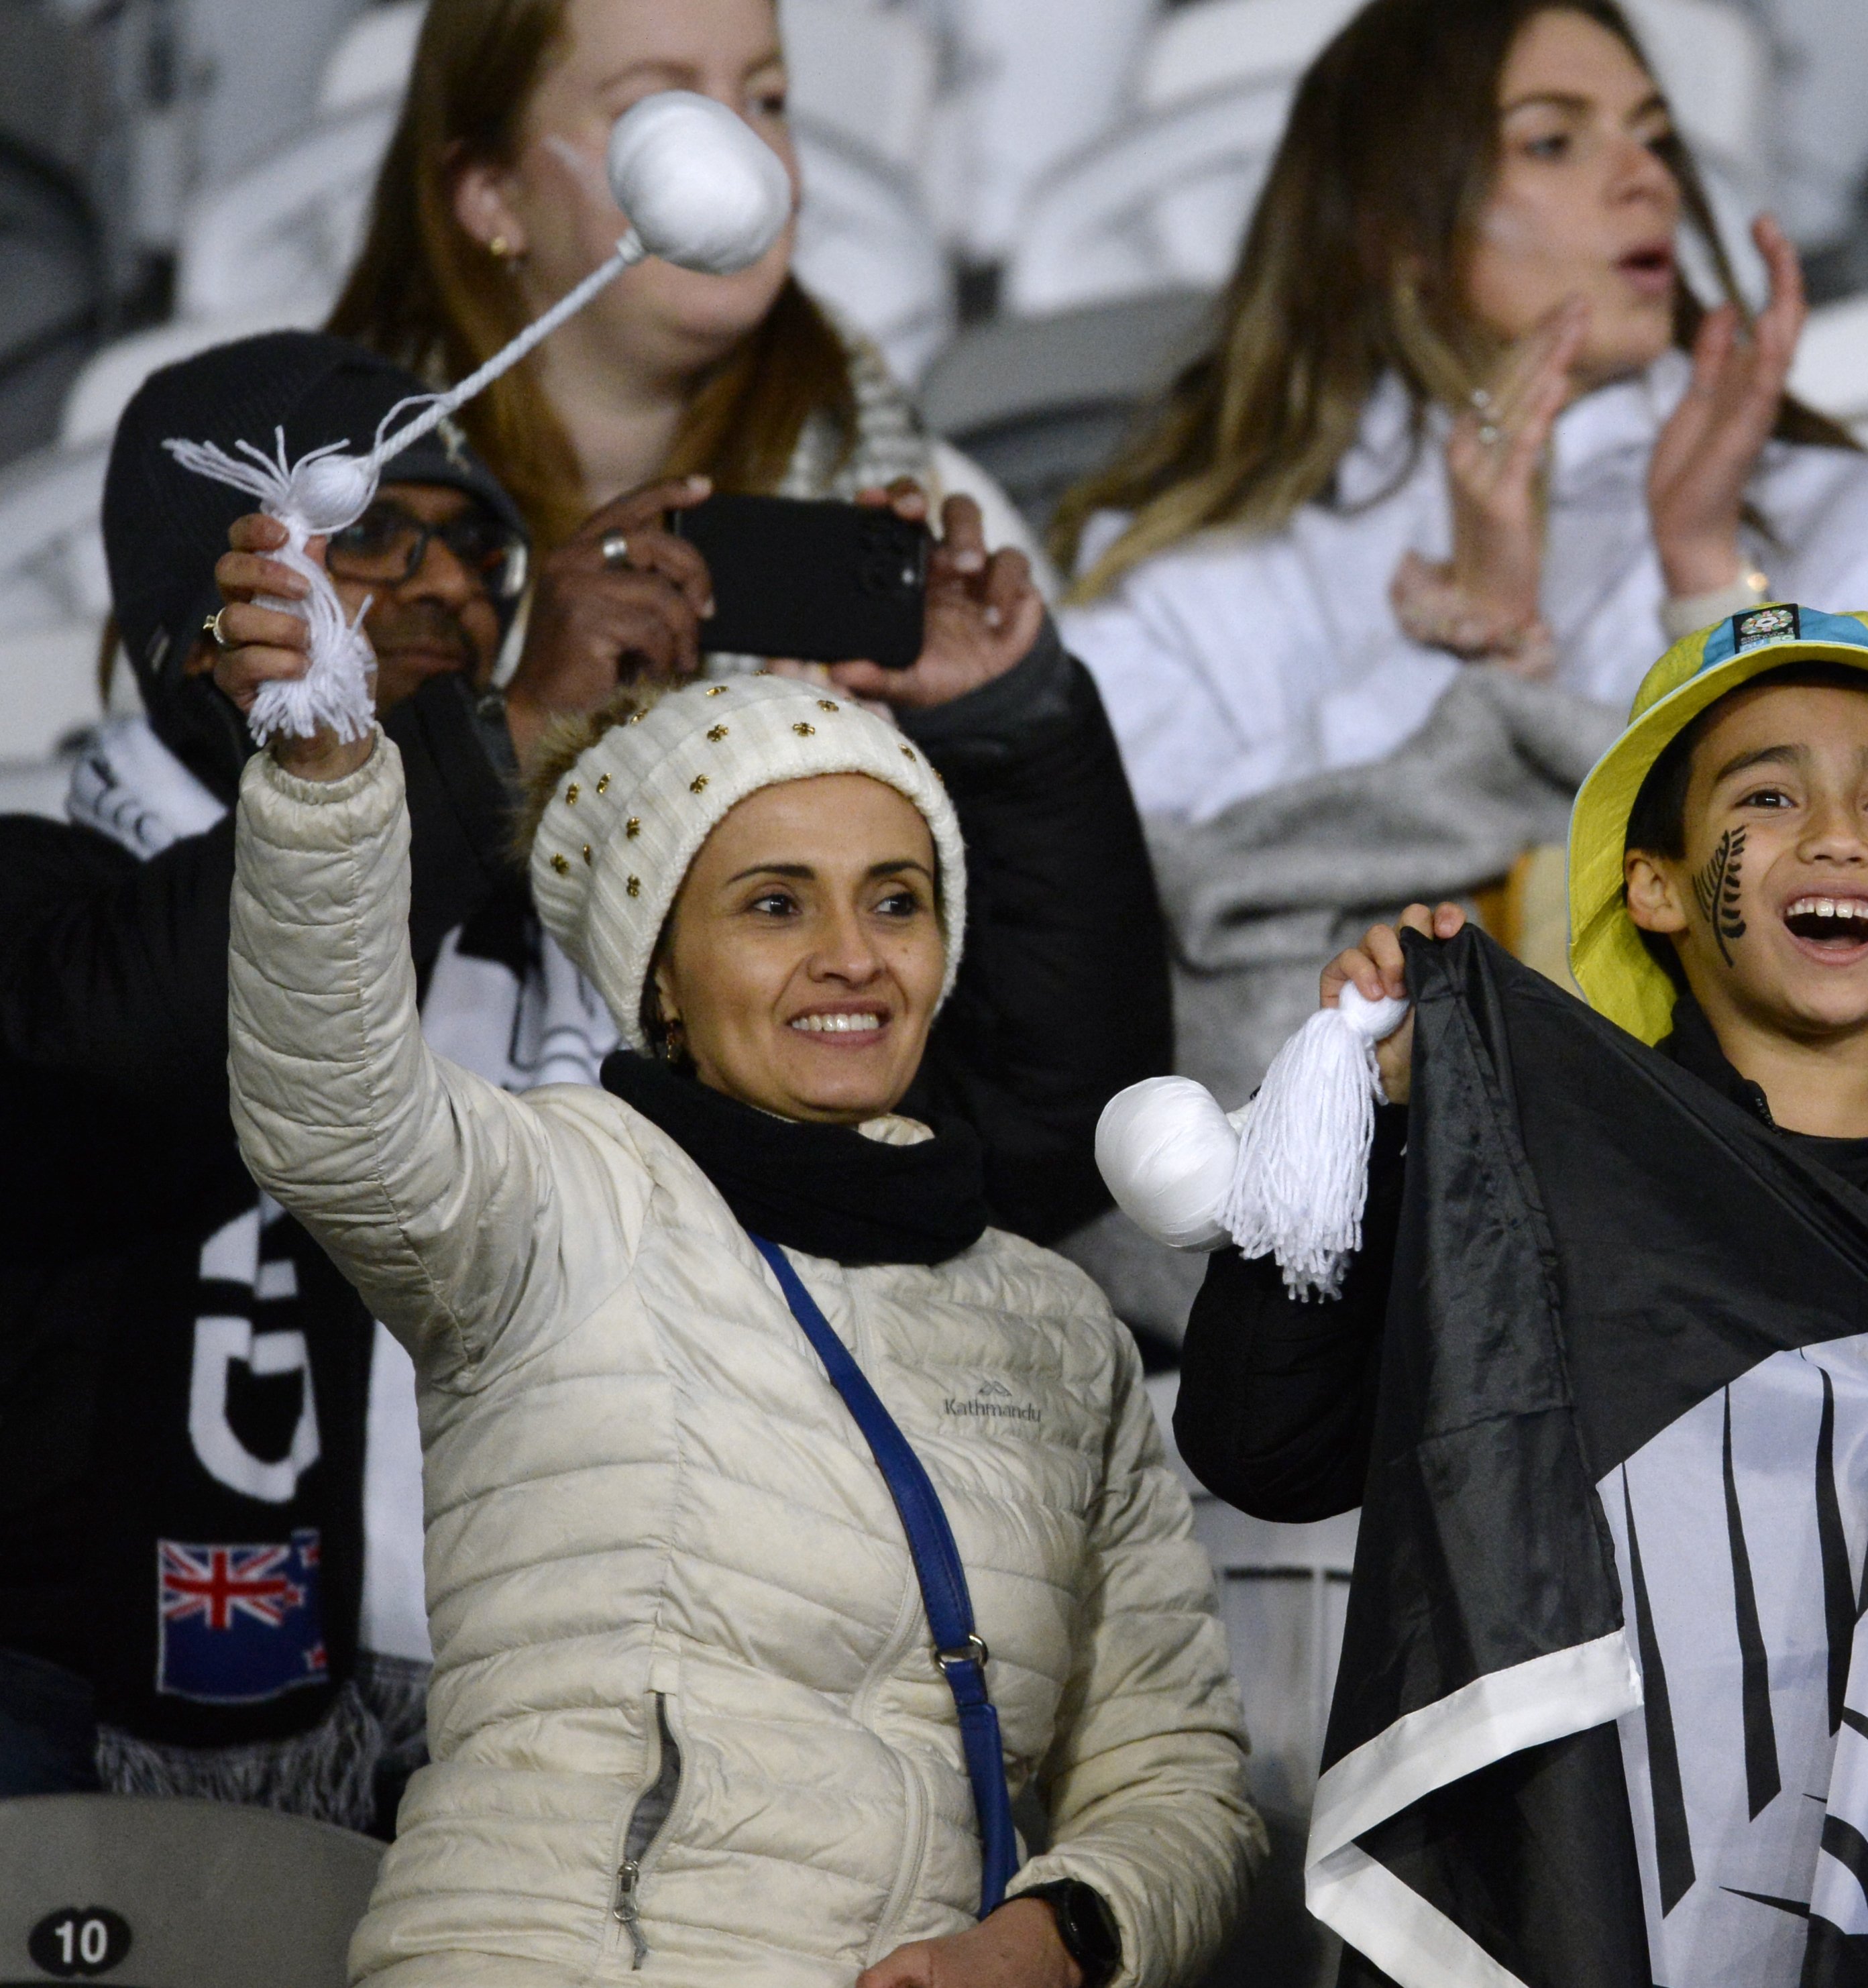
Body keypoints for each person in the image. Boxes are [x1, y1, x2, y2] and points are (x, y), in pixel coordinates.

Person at [1170, 604, 1868, 1976]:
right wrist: (1388, 1132)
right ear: (1658, 885)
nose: (1833, 834)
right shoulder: (1532, 1185)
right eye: (1767, 794)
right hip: (1618, 1873)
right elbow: (1260, 1450)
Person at [219, 663, 1262, 1984]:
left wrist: (1056, 1938)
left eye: (899, 900)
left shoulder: (1057, 1325)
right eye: (776, 905)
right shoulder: (555, 1198)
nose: (853, 956)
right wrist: (326, 798)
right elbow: (333, 1115)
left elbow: (1176, 1778)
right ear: (661, 971)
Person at [0, 331, 691, 1816]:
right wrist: (491, 741)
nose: (455, 587)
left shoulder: (569, 913)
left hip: (520, 1708)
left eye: (484, 547)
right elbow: (117, 1055)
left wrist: (1013, 733)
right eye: (379, 531)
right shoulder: (39, 882)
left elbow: (1002, 1132)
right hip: (72, 1723)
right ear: (212, 594)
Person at [1051, 0, 1868, 825]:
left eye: (1654, 137)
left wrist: (1709, 581)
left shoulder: (1852, 517)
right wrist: (1471, 649)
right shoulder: (1195, 572)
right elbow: (1168, 909)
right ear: (1398, 234)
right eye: (1552, 141)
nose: (1648, 180)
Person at [329, 0, 1045, 569]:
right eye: (657, 111)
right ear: (492, 194)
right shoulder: (342, 512)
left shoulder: (921, 504)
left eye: (766, 101)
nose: (741, 159)